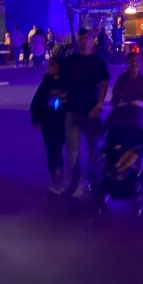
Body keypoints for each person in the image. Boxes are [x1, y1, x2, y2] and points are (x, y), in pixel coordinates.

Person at [54, 29, 110, 198]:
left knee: (94, 149)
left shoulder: (97, 61)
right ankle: (76, 181)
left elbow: (104, 83)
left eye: (86, 39)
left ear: (92, 41)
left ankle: (94, 182)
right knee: (72, 151)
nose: (83, 42)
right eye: (81, 39)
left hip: (90, 110)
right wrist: (59, 95)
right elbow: (60, 75)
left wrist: (99, 104)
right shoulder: (72, 60)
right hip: (72, 109)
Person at [30, 58, 69, 194]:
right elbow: (37, 100)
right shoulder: (46, 82)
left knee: (57, 148)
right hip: (48, 120)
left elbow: (70, 99)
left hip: (61, 121)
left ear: (58, 67)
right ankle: (54, 177)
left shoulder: (65, 82)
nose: (49, 67)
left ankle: (59, 174)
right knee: (50, 149)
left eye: (52, 64)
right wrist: (36, 118)